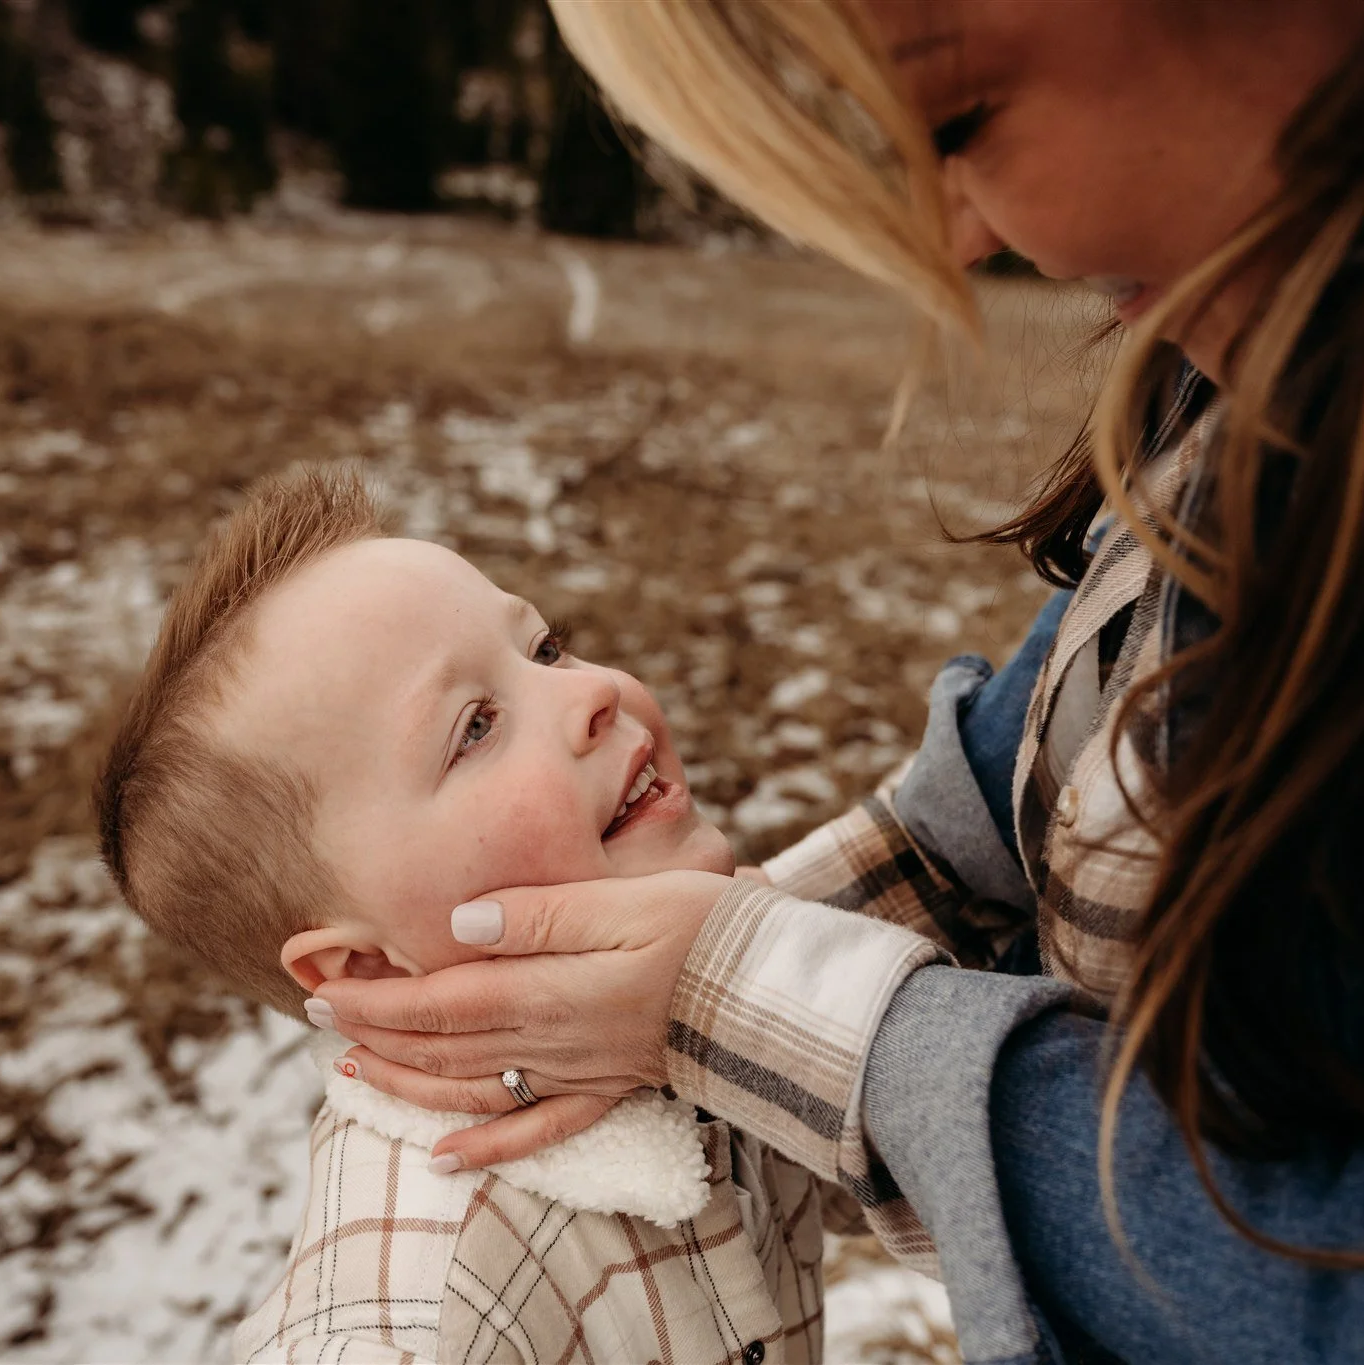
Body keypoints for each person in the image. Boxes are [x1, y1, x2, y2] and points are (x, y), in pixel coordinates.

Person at [302, 2, 1364, 1362]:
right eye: (469, 723)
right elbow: (1015, 764)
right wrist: (658, 991)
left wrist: (798, 1015)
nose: (958, 237)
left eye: (960, 119)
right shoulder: (1282, 383)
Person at [93, 468, 952, 1363]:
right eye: (474, 726)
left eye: (545, 650)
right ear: (369, 970)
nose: (592, 693)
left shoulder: (694, 982)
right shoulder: (421, 1309)